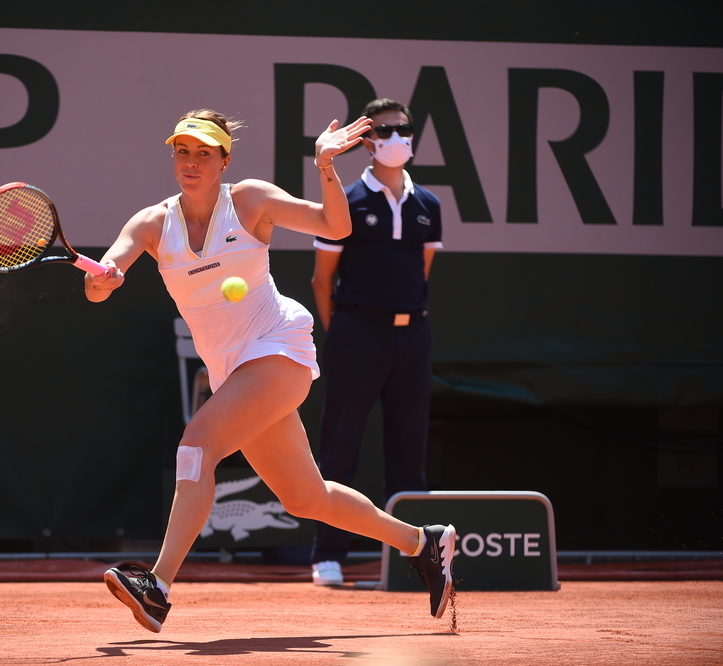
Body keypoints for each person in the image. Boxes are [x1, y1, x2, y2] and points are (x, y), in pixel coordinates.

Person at [84, 109, 455, 632]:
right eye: (182, 151)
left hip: (279, 349)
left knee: (197, 444)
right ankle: (423, 542)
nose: (191, 162)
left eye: (204, 153)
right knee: (305, 497)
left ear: (223, 161)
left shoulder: (250, 200)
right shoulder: (150, 224)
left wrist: (325, 165)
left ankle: (158, 586)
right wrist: (104, 279)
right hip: (234, 373)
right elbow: (102, 280)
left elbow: (335, 225)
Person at [309, 99, 443, 587]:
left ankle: (419, 558)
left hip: (413, 337)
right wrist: (343, 335)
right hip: (355, 334)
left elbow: (421, 272)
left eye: (403, 129)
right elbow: (323, 281)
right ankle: (328, 554)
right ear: (367, 142)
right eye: (384, 131)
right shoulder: (347, 200)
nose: (396, 138)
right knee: (340, 446)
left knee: (409, 450)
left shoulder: (429, 205)